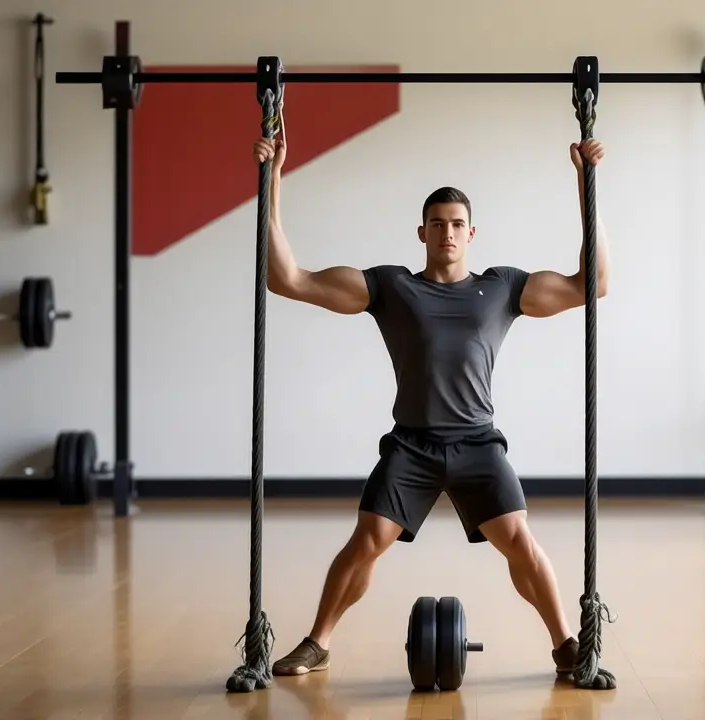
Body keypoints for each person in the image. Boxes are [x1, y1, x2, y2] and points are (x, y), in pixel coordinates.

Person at [253, 117, 609, 681]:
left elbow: (593, 283)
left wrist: (587, 185)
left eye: (457, 224)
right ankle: (317, 643)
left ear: (472, 233)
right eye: (437, 224)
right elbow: (287, 278)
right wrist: (271, 177)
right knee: (368, 539)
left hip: (477, 444)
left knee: (519, 540)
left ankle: (566, 644)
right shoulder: (391, 286)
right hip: (412, 445)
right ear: (421, 232)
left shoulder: (503, 288)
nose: (447, 232)